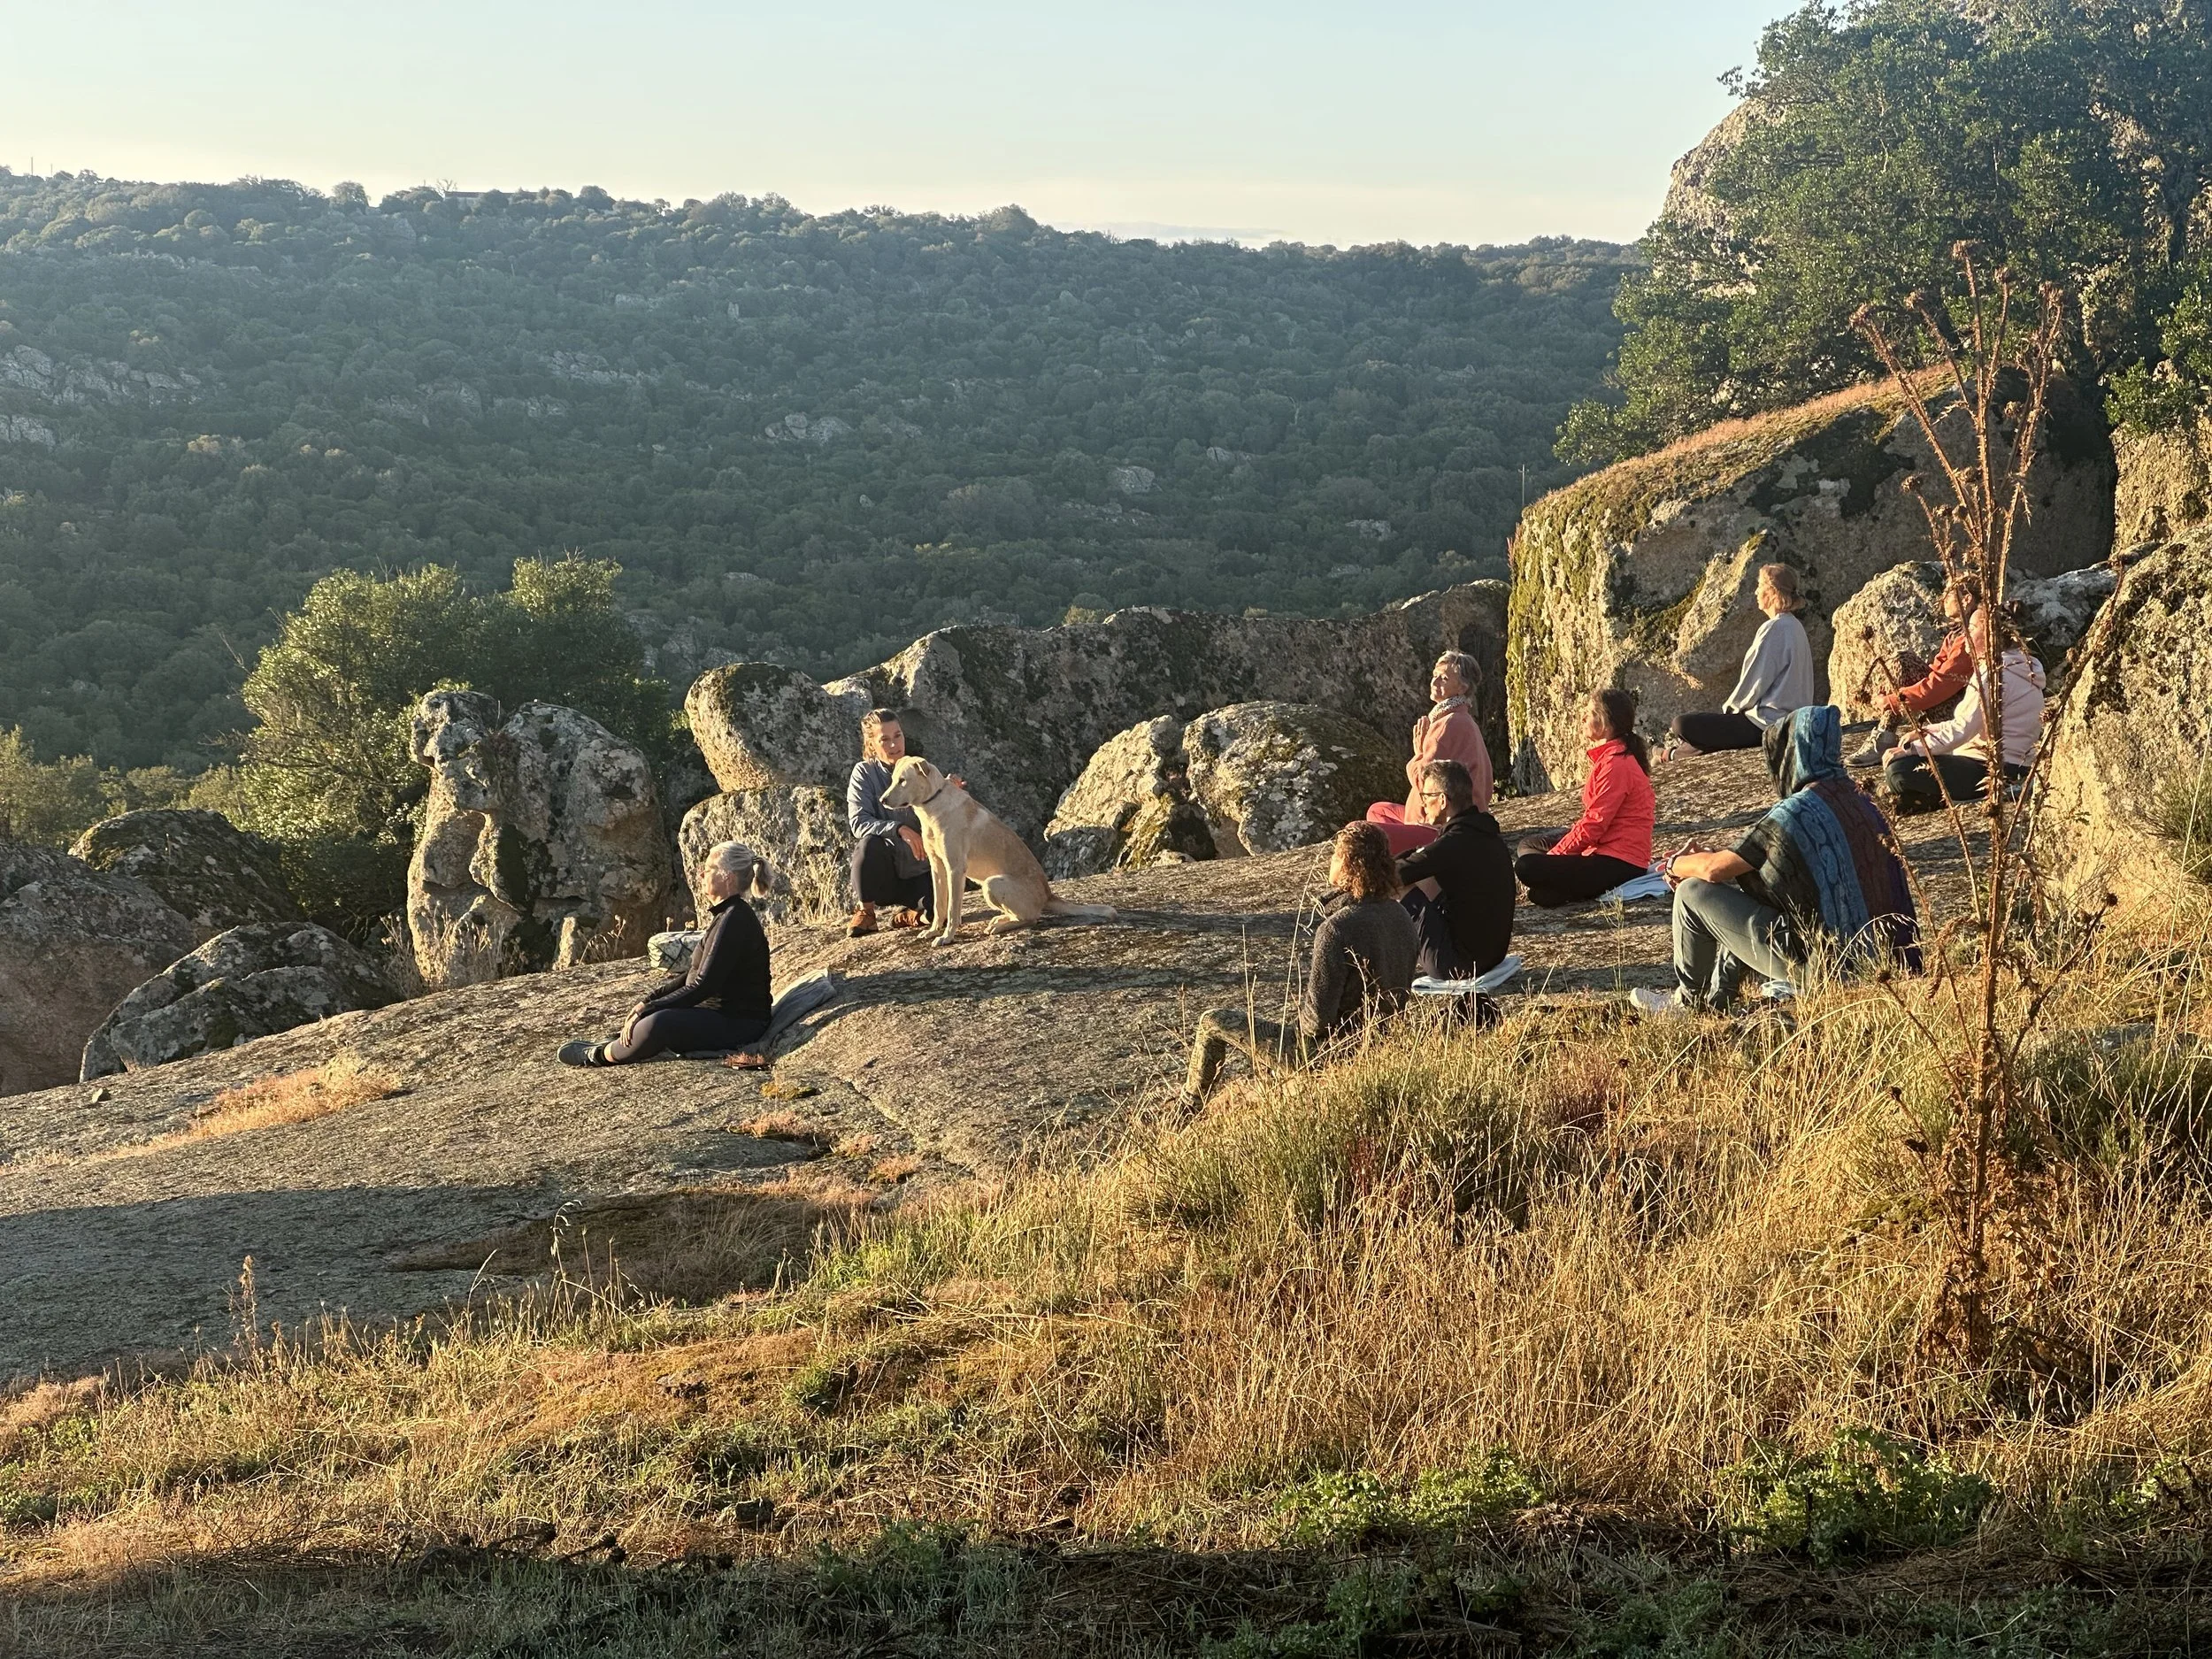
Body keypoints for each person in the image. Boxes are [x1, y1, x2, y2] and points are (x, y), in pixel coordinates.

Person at [1630, 705, 1919, 1017]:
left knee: (1692, 893)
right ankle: (1719, 999)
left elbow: (1713, 870)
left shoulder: (1796, 812)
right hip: (1895, 966)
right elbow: (1753, 861)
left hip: (1831, 971)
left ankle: (1689, 1005)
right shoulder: (1864, 802)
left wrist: (1675, 865)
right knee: (1759, 891)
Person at [1181, 820, 1418, 1107]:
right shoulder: (1401, 916)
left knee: (1211, 1021)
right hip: (1382, 1045)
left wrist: (1296, 1020)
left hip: (1328, 1054)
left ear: (1348, 863)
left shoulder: (1336, 929)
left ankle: (1187, 1107)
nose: (1330, 860)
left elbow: (1315, 1023)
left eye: (1335, 855)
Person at [558, 841, 776, 1065]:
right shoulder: (727, 916)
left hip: (741, 1024)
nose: (701, 873)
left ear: (727, 877)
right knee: (652, 1016)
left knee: (659, 1023)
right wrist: (648, 1001)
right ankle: (615, 1044)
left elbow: (703, 985)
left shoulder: (734, 919)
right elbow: (693, 974)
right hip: (719, 1016)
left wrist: (650, 1009)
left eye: (709, 869)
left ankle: (598, 1056)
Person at [1879, 603, 2045, 815]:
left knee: (1899, 771)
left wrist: (1911, 749)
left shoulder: (1994, 676)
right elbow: (1965, 723)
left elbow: (1962, 730)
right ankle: (1922, 798)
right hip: (2005, 764)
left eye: (1973, 628)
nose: (1965, 635)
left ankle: (1928, 797)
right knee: (1904, 773)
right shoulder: (2020, 667)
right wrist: (1925, 732)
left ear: (1991, 634)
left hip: (1992, 768)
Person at [1514, 688, 1657, 908]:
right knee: (1529, 844)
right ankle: (1564, 888)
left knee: (1527, 867)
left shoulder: (1617, 764)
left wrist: (1554, 858)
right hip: (1603, 850)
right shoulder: (1613, 756)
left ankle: (1564, 887)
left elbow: (1594, 824)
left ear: (1606, 723)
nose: (1583, 718)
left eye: (1589, 713)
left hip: (1620, 862)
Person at [1667, 563, 1816, 756]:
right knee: (1710, 733)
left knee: (1681, 724)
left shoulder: (1774, 628)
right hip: (1792, 722)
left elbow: (1755, 683)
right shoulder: (1795, 627)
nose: (1755, 592)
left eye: (1760, 586)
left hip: (1767, 725)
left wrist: (1729, 713)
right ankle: (1673, 754)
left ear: (1771, 592)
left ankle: (1672, 754)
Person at [1395, 758, 1516, 980]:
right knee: (1424, 877)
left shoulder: (1453, 843)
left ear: (1442, 800)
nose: (1422, 803)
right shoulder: (1483, 832)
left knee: (1399, 886)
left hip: (1456, 965)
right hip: (1491, 956)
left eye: (1426, 797)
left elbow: (1398, 874)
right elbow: (1423, 857)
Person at [1366, 650, 1494, 856]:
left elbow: (1422, 781)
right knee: (1378, 811)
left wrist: (1417, 753)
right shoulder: (1465, 720)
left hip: (1441, 829)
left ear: (1463, 687)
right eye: (1434, 675)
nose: (1434, 682)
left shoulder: (1446, 725)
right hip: (1469, 821)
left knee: (1361, 833)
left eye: (1444, 678)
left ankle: (1399, 865)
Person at [1847, 576, 1980, 769]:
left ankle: (1885, 735)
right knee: (1903, 660)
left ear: (1966, 598)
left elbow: (1940, 686)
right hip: (1953, 706)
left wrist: (1893, 701)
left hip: (1961, 717)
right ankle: (1885, 734)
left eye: (1948, 594)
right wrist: (1893, 694)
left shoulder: (1970, 638)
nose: (1942, 599)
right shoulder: (1956, 634)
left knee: (1904, 660)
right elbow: (1935, 673)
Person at [846, 707, 933, 937]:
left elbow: (939, 811)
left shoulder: (919, 768)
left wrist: (947, 793)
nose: (894, 745)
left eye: (898, 736)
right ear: (872, 744)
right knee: (868, 845)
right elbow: (858, 821)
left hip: (921, 869)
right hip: (886, 873)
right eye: (885, 739)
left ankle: (911, 916)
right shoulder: (864, 773)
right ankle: (867, 913)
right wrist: (899, 829)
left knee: (939, 914)